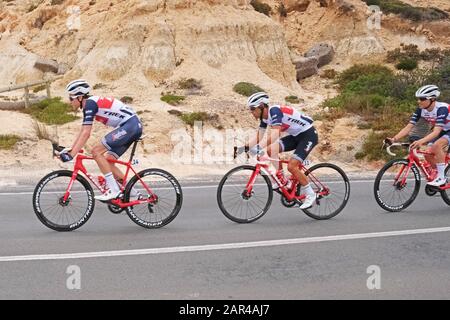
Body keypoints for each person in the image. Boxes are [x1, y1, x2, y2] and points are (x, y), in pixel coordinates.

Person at [58, 79, 143, 201]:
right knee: (108, 159)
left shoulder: (90, 105)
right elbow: (83, 131)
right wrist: (71, 149)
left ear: (80, 97)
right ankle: (133, 193)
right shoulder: (90, 104)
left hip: (130, 126)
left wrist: (72, 155)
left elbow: (86, 133)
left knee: (96, 152)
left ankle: (114, 190)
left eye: (72, 98)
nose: (70, 101)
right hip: (131, 126)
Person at [238, 92, 319, 209]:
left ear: (261, 106)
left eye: (252, 109)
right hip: (296, 136)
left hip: (308, 135)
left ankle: (311, 194)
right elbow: (259, 136)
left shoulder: (274, 111)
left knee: (292, 166)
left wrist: (260, 147)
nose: (251, 112)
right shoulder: (264, 118)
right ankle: (283, 180)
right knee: (271, 150)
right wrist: (244, 148)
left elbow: (276, 134)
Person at [387, 85, 450, 187]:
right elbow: (408, 127)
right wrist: (394, 139)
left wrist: (421, 141)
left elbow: (436, 132)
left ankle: (442, 177)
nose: (419, 101)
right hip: (443, 130)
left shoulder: (442, 108)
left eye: (422, 99)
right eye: (418, 99)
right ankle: (441, 171)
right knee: (427, 153)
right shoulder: (421, 110)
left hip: (444, 130)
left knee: (437, 146)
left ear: (432, 99)